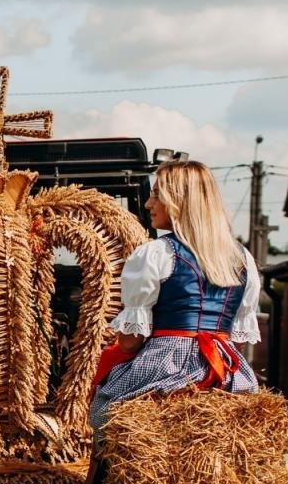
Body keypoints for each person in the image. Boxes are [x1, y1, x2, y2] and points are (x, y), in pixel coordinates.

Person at [89, 158, 261, 431]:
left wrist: (119, 352)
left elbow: (131, 343)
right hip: (224, 370)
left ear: (180, 201)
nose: (148, 204)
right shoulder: (243, 259)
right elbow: (238, 340)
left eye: (157, 195)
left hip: (166, 364)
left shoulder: (156, 254)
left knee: (105, 408)